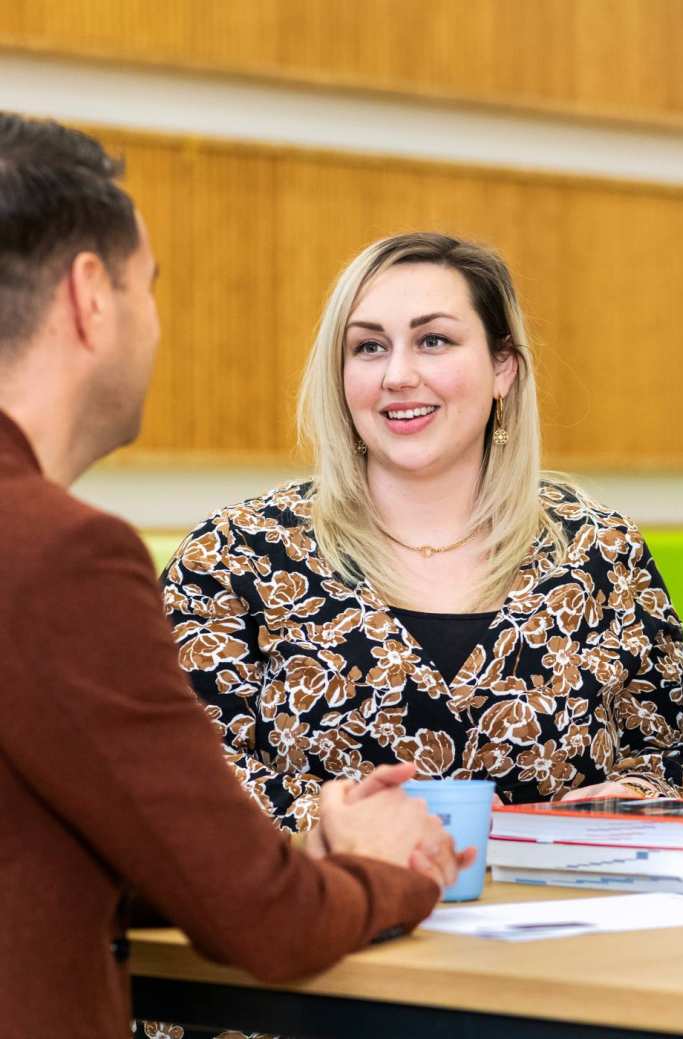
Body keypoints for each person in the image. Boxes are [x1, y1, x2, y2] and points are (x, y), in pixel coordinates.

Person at [0, 113, 471, 1039]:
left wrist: (293, 856)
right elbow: (265, 922)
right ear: (92, 295)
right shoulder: (61, 555)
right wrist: (394, 870)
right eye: (151, 285)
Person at [160, 231, 683, 828]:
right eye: (368, 347)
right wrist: (339, 821)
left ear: (504, 369)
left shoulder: (599, 550)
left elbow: (667, 755)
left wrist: (634, 797)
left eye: (433, 341)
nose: (397, 374)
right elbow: (179, 774)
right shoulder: (236, 555)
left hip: (560, 911)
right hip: (331, 912)